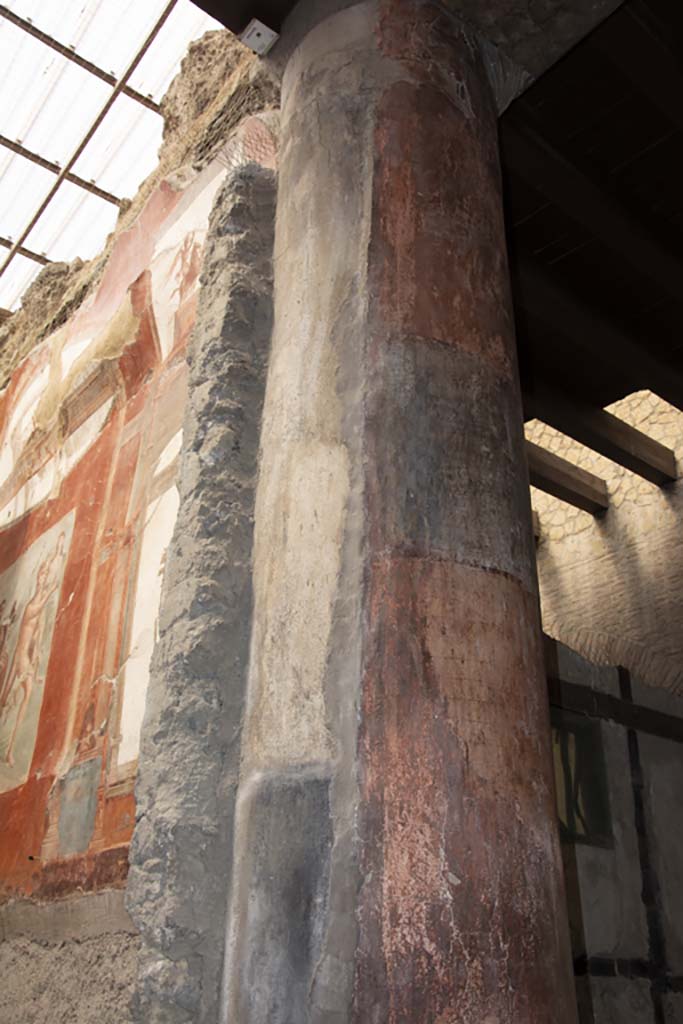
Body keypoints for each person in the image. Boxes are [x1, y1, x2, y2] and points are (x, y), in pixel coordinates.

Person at [0, 537, 65, 767]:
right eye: (42, 574)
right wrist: (52, 583)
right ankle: (6, 749)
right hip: (19, 660)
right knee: (9, 701)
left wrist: (36, 666)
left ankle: (8, 751)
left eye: (45, 574)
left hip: (26, 660)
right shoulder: (32, 606)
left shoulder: (41, 609)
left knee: (23, 700)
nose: (43, 578)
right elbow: (41, 602)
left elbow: (36, 643)